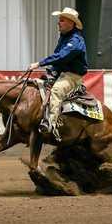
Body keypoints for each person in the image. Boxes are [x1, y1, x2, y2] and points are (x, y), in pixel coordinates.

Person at [29, 7, 88, 142]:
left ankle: (51, 123)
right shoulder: (64, 38)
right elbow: (59, 59)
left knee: (56, 90)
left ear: (71, 23)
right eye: (59, 20)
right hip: (61, 74)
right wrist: (51, 71)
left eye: (62, 20)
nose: (58, 23)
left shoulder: (76, 41)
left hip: (72, 77)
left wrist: (40, 63)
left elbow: (61, 56)